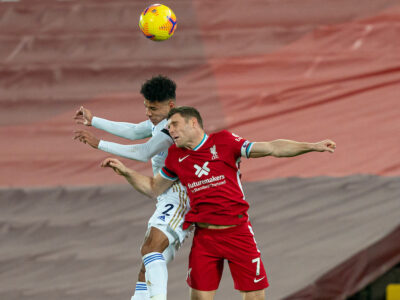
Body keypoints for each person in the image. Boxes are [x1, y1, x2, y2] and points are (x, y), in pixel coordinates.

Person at [101, 106, 337, 300]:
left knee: (255, 297)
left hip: (238, 233)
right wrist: (125, 172)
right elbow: (153, 187)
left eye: (174, 124)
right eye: (168, 126)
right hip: (205, 238)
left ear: (193, 123)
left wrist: (312, 146)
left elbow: (272, 147)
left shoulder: (224, 141)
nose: (169, 129)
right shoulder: (175, 156)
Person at [73, 75, 191, 300]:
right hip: (165, 194)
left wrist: (100, 144)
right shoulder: (160, 121)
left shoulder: (173, 129)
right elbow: (136, 130)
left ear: (171, 106)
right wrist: (94, 120)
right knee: (148, 264)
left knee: (150, 249)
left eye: (153, 108)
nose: (148, 113)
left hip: (179, 194)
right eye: (146, 106)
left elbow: (143, 152)